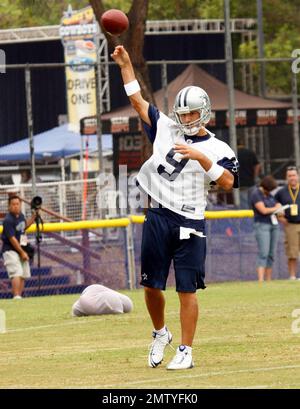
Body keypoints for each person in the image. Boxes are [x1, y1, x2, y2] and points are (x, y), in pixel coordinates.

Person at [111, 45, 239, 370]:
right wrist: (125, 65)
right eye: (183, 114)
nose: (186, 119)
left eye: (192, 114)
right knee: (151, 285)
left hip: (191, 219)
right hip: (157, 214)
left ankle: (186, 349)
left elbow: (228, 182)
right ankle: (159, 333)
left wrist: (201, 157)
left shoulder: (217, 146)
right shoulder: (165, 128)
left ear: (205, 112)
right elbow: (138, 101)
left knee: (186, 288)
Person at [1, 195, 38, 299]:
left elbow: (24, 225)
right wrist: (22, 252)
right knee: (16, 272)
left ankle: (19, 296)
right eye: (13, 204)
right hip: (10, 250)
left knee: (23, 273)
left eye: (17, 204)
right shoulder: (8, 220)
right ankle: (16, 296)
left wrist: (34, 217)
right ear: (9, 206)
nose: (16, 206)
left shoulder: (20, 216)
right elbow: (12, 239)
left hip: (21, 248)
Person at [250, 176, 281, 282]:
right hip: (262, 225)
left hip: (274, 224)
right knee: (264, 252)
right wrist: (276, 208)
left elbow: (276, 203)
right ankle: (260, 280)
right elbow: (263, 210)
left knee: (271, 253)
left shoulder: (269, 195)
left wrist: (278, 207)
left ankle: (268, 279)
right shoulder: (256, 194)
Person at [275, 166, 300, 280]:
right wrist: (280, 217)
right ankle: (292, 276)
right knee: (292, 252)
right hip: (291, 225)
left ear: (298, 176)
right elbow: (274, 205)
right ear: (286, 177)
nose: (292, 178)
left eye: (294, 175)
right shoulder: (281, 192)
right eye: (289, 176)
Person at [237, 136, 261, 209]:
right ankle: (253, 218)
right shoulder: (250, 152)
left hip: (240, 182)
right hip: (251, 181)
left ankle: (246, 219)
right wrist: (255, 176)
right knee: (253, 202)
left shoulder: (234, 153)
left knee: (244, 204)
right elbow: (257, 165)